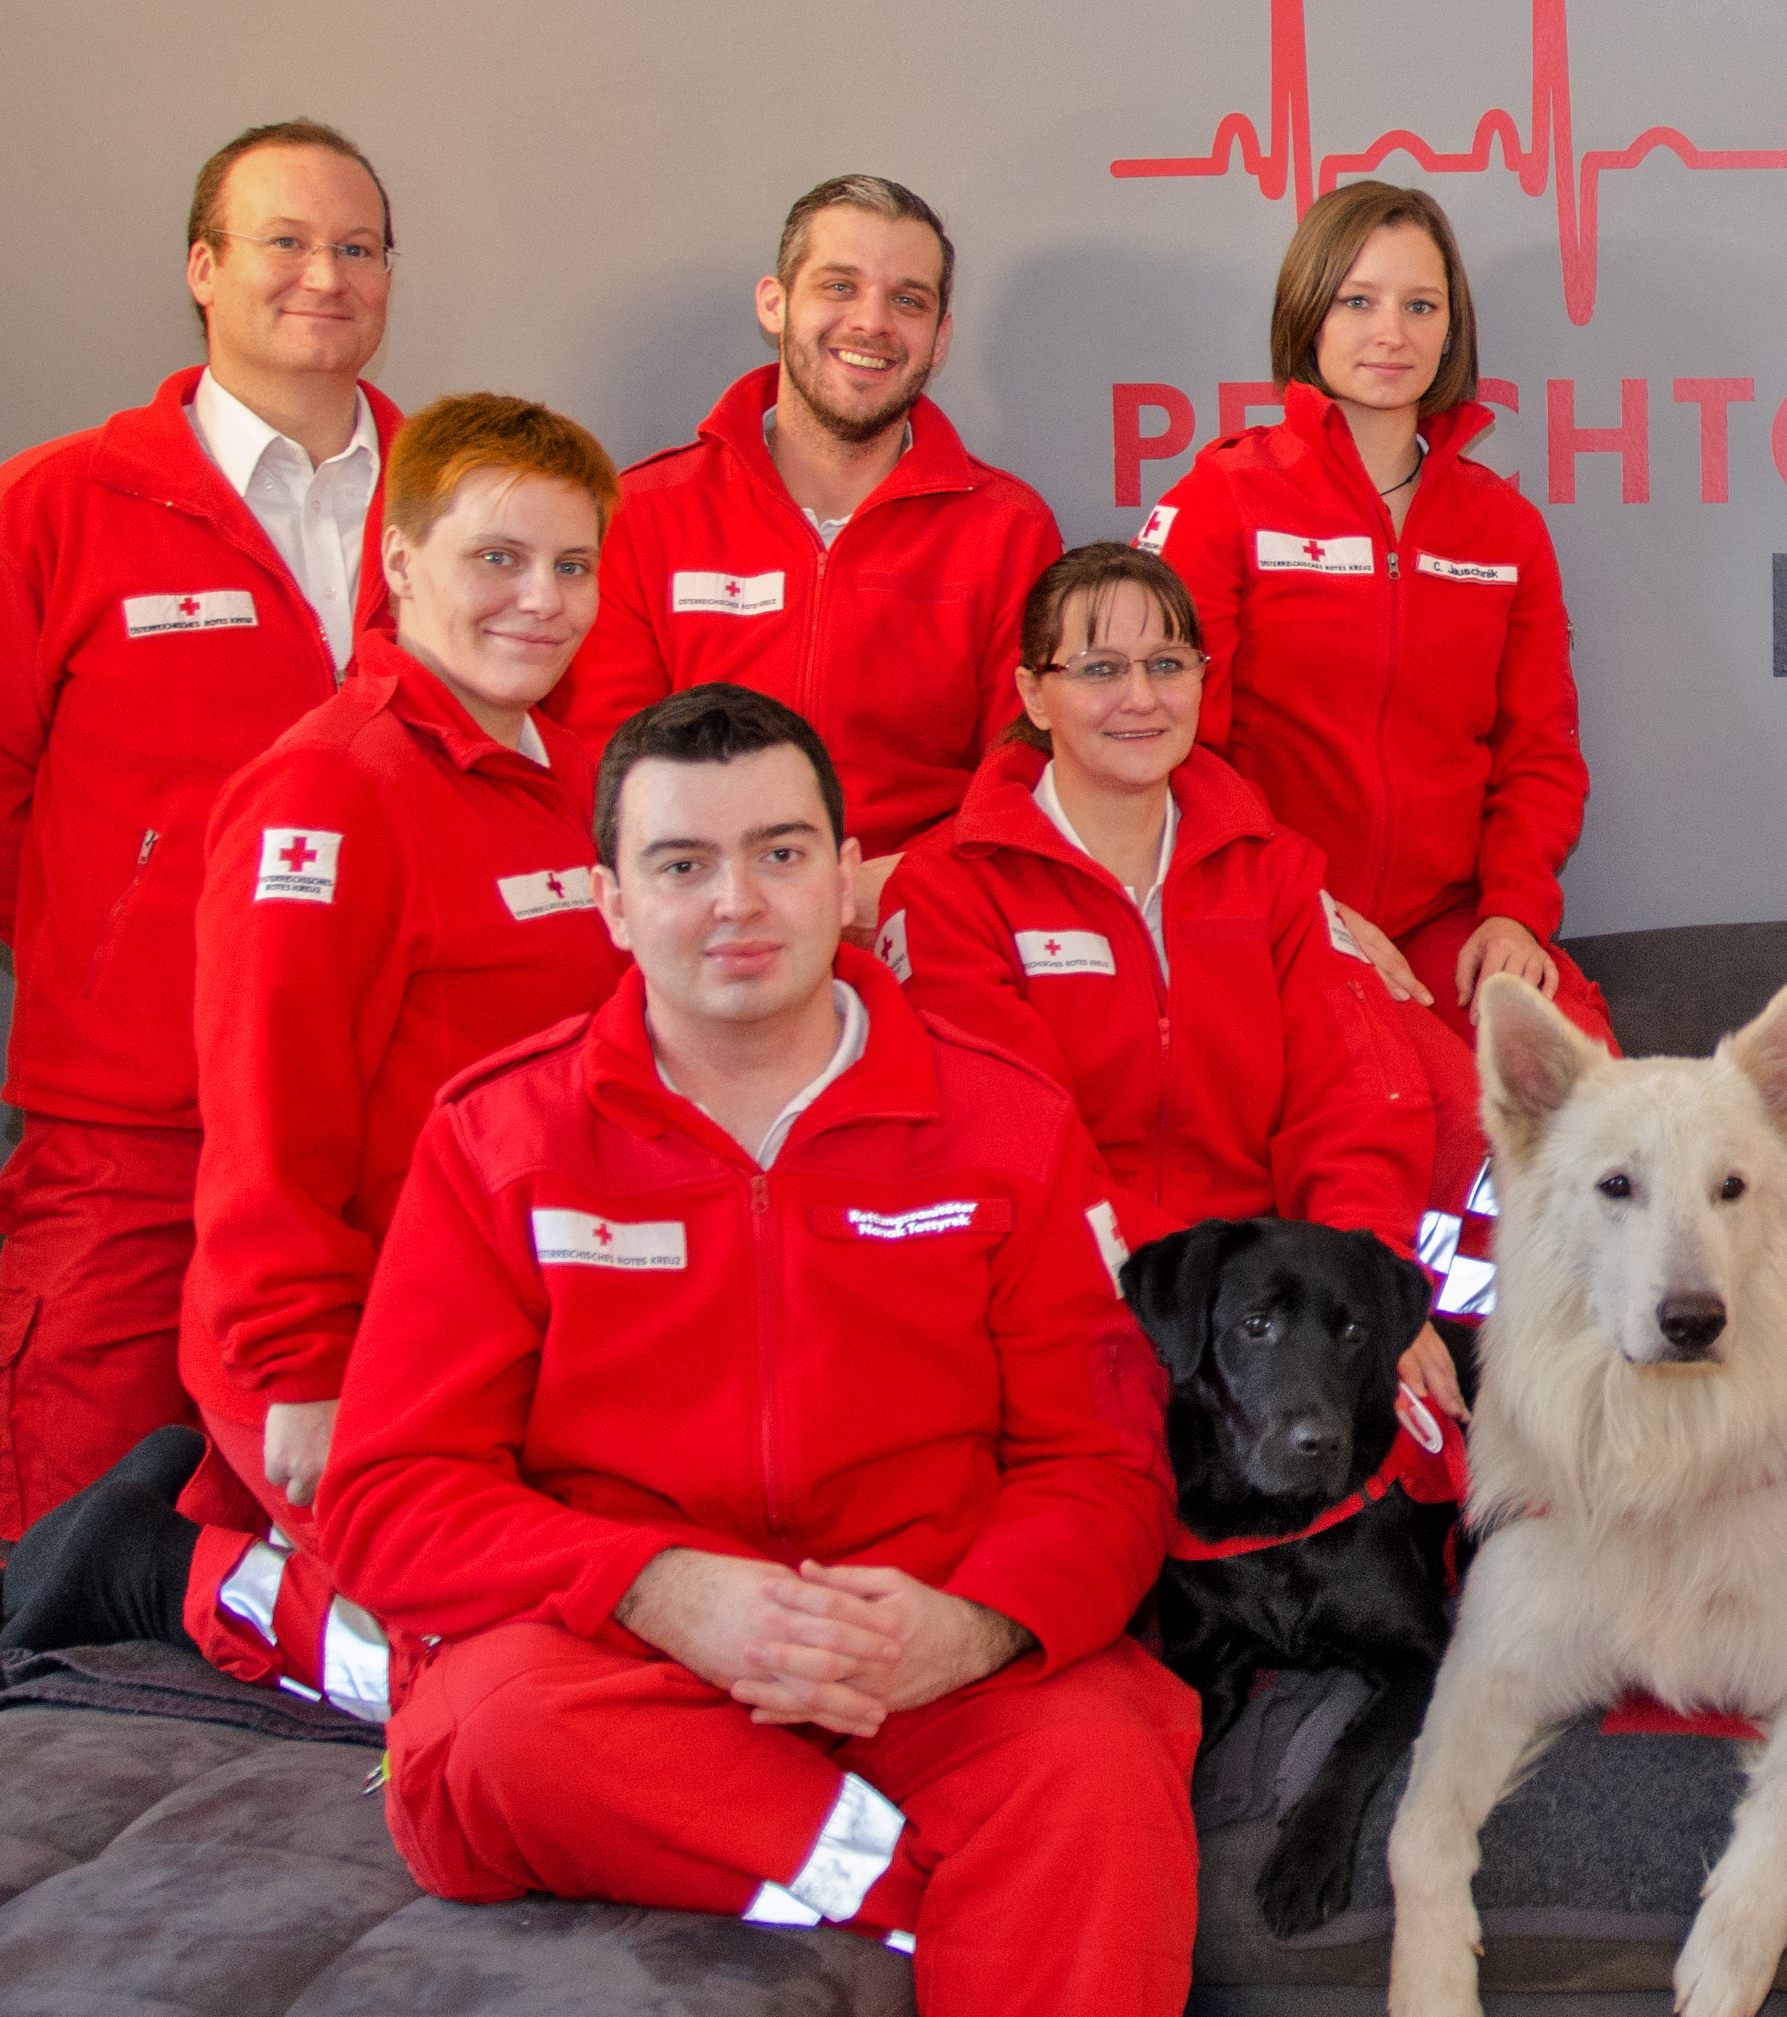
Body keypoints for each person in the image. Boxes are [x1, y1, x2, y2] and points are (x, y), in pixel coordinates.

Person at [323, 685, 1192, 2014]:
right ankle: (916, 1886)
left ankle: (873, 1862)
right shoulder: (498, 1139)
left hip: (923, 1647)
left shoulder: (1007, 1119)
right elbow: (389, 1498)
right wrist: (662, 1590)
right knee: (491, 1737)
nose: (738, 900)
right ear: (608, 900)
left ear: (846, 878)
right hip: (625, 1663)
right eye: (682, 864)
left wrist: (971, 1628)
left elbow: (1106, 1463)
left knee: (1102, 1772)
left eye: (781, 853)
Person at [0, 397, 633, 1708]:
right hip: (365, 1352)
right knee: (495, 1683)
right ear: (403, 562)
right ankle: (187, 1572)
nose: (541, 599)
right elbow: (265, 1122)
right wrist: (300, 1381)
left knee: (667, 1612)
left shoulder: (585, 773)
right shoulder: (328, 790)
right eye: (499, 559)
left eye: (573, 564)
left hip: (542, 1334)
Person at [0, 118, 404, 1537]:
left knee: (384, 1518)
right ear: (204, 267)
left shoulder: (467, 503)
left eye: (357, 247)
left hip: (392, 1117)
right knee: (74, 1518)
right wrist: (116, 938)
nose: (325, 276)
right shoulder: (54, 507)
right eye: (285, 242)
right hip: (135, 1115)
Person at [880, 541, 1483, 1381]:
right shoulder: (949, 889)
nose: (1140, 698)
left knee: (1419, 1464)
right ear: (1034, 695)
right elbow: (1010, 1150)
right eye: (1098, 669)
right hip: (1053, 1307)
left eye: (1167, 663)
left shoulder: (1274, 872)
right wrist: (1221, 1295)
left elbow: (1355, 1103)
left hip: (1279, 1309)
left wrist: (1356, 1283)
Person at [1142, 181, 1605, 1053]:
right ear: (1310, 314)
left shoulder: (1503, 528)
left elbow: (1539, 751)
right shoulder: (1224, 501)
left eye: (1419, 305)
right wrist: (1302, 904)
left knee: (1578, 1110)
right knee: (1386, 1110)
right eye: (1359, 300)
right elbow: (1173, 754)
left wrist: (1513, 914)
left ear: (1449, 330)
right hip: (1274, 916)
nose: (1392, 333)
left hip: (1453, 926)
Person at [550, 173, 1064, 883]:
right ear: (776, 303)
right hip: (702, 919)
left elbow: (1020, 773)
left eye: (907, 300)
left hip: (921, 920)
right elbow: (605, 768)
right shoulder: (647, 512)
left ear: (939, 338)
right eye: (839, 287)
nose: (872, 323)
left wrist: (894, 887)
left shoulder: (1008, 530)